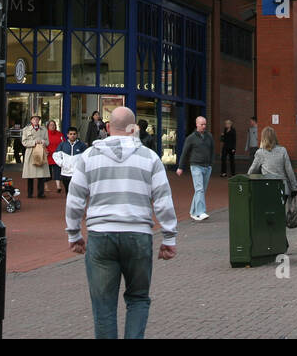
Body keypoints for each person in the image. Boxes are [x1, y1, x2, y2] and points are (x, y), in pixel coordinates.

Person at [65, 106, 177, 339]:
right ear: (134, 128)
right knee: (138, 298)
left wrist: (74, 234)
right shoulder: (150, 158)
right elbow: (163, 200)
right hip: (138, 234)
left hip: (100, 234)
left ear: (107, 128)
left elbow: (74, 199)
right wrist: (169, 237)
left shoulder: (88, 157)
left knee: (103, 305)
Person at [176, 115, 215, 221]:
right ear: (197, 124)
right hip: (196, 166)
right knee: (199, 189)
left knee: (201, 190)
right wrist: (180, 167)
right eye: (201, 124)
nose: (204, 126)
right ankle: (200, 212)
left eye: (205, 124)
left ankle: (193, 212)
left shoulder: (209, 136)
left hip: (207, 167)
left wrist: (211, 164)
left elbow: (212, 150)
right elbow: (184, 152)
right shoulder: (191, 138)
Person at [247, 126, 297, 198]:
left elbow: (252, 171)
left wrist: (246, 181)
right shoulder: (283, 150)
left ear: (263, 138)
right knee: (280, 209)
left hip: (267, 189)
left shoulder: (260, 152)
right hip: (282, 188)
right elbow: (289, 170)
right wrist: (294, 187)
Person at [20, 114, 51, 198]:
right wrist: (34, 142)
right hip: (30, 152)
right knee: (30, 175)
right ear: (31, 120)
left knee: (41, 174)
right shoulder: (26, 130)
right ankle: (30, 193)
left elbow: (48, 141)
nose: (36, 120)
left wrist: (44, 142)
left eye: (37, 119)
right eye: (34, 119)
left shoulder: (44, 129)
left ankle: (41, 193)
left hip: (41, 152)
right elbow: (24, 142)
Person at [55, 126, 87, 192]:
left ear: (77, 135)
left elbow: (87, 157)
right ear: (67, 135)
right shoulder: (62, 145)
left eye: (74, 134)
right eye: (71, 134)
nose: (72, 136)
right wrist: (62, 163)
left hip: (77, 173)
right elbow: (55, 155)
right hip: (65, 173)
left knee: (76, 192)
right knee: (68, 191)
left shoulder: (82, 145)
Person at [46, 119, 65, 194]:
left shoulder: (59, 134)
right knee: (47, 172)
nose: (52, 126)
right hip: (48, 155)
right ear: (48, 126)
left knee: (58, 171)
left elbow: (63, 143)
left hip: (56, 155)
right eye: (51, 125)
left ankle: (58, 186)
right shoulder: (45, 134)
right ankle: (46, 186)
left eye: (54, 125)